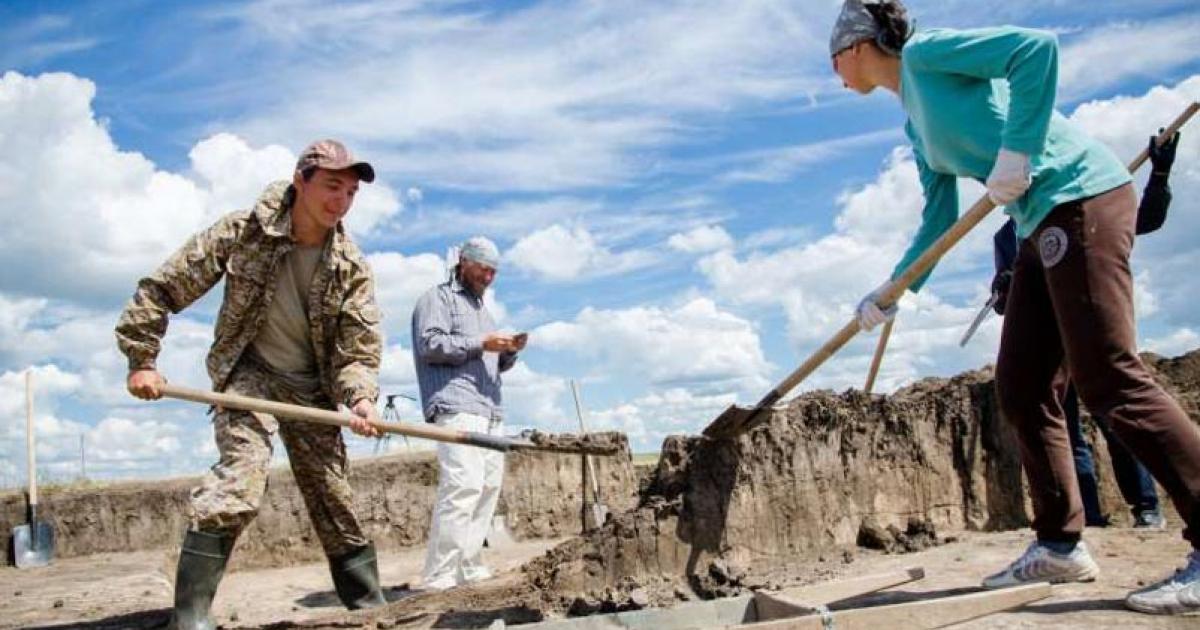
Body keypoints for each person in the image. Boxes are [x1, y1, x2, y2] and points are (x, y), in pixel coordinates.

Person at [830, 0, 1200, 614]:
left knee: (1108, 375)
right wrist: (892, 289)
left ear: (855, 48)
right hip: (1036, 221)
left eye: (833, 62)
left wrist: (1018, 151)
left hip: (1081, 196)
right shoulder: (913, 124)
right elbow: (939, 217)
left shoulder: (928, 55)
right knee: (1022, 385)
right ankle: (1060, 544)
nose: (835, 76)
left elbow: (1035, 50)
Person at [115, 139, 388, 629]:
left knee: (334, 498)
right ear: (300, 180)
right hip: (250, 376)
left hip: (314, 390)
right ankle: (191, 616)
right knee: (239, 482)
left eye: (350, 193)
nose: (341, 201)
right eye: (332, 187)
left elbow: (358, 347)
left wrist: (361, 398)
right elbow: (161, 288)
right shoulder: (244, 231)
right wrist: (142, 358)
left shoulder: (350, 265)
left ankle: (370, 610)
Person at [988, 130, 1181, 531]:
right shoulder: (1008, 235)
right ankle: (1088, 519)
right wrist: (1004, 286)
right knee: (1065, 432)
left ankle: (1146, 508)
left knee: (1116, 418)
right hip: (1051, 351)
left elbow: (1144, 220)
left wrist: (1159, 175)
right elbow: (1009, 305)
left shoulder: (1072, 205)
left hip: (1087, 333)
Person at [411, 237, 526, 591]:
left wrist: (506, 352)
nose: (489, 276)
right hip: (456, 405)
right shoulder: (438, 298)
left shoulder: (483, 311)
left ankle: (469, 565)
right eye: (483, 268)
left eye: (494, 271)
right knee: (462, 487)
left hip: (489, 408)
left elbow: (488, 360)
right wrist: (482, 344)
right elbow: (430, 344)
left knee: (487, 488)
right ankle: (440, 575)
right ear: (463, 262)